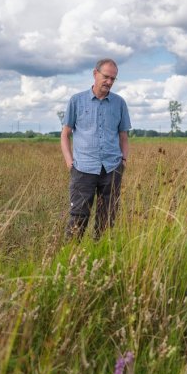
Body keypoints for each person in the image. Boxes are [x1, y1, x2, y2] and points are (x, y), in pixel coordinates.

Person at [61, 58, 131, 240]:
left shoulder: (119, 103)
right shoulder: (76, 101)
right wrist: (70, 163)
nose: (109, 82)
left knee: (107, 218)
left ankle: (101, 255)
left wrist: (123, 161)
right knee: (79, 216)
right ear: (95, 74)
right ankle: (70, 258)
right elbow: (65, 134)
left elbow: (123, 136)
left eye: (113, 79)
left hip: (112, 168)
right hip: (83, 168)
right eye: (106, 77)